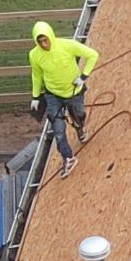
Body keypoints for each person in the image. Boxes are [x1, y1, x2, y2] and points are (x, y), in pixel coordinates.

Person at [27, 19, 97, 176]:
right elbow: (36, 75)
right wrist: (36, 96)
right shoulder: (34, 55)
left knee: (79, 114)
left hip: (73, 91)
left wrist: (83, 76)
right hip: (53, 95)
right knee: (58, 130)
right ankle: (68, 158)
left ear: (51, 36)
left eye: (45, 40)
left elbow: (92, 55)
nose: (44, 44)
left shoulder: (67, 45)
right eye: (40, 42)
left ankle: (80, 127)